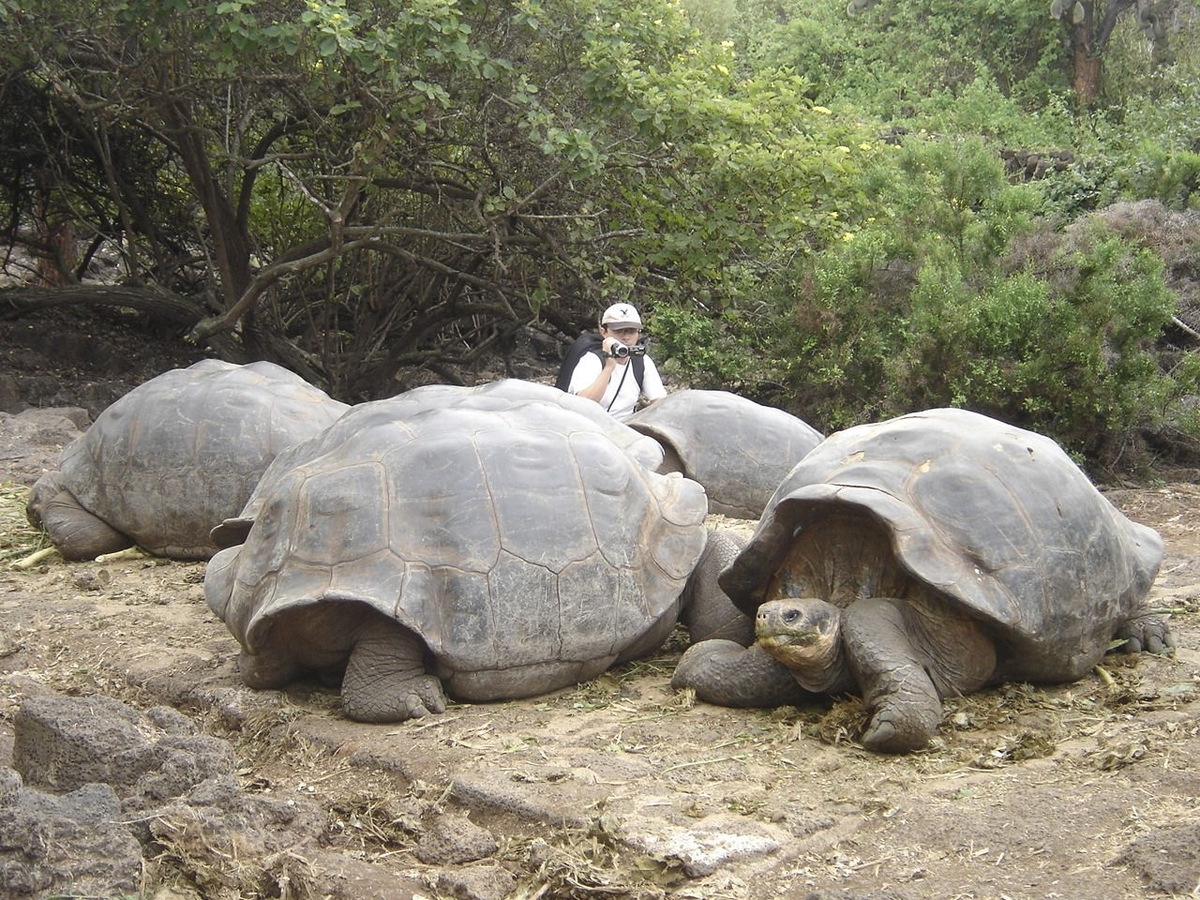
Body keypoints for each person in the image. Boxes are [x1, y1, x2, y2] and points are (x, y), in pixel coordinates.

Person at [567, 303, 667, 419]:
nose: (626, 337)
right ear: (604, 332)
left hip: (626, 425)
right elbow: (583, 405)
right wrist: (608, 367)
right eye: (619, 331)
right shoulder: (591, 360)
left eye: (631, 331)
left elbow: (660, 401)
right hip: (591, 424)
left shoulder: (642, 361)